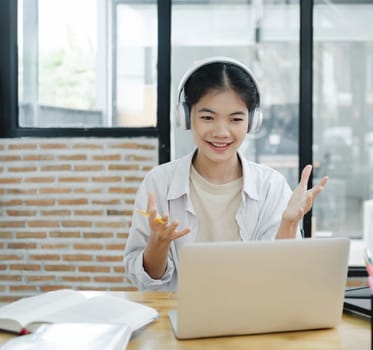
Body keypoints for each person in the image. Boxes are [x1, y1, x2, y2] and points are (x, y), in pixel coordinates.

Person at [124, 57, 328, 291]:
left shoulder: (270, 185)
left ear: (252, 122)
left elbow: (279, 277)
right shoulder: (159, 183)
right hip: (179, 318)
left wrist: (289, 224)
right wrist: (158, 243)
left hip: (251, 319)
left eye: (236, 119)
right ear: (185, 117)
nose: (221, 132)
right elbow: (143, 281)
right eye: (207, 117)